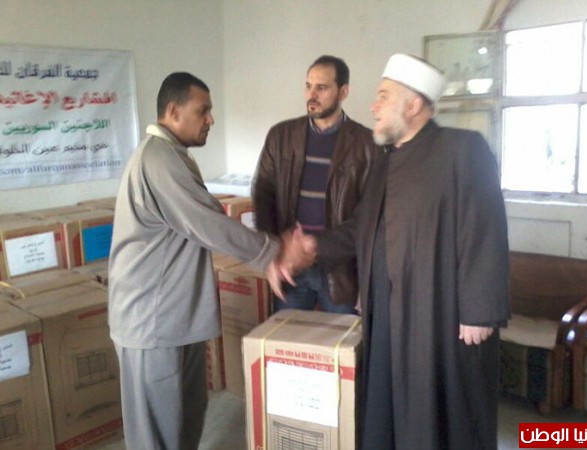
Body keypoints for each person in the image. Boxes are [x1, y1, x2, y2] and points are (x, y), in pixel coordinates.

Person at [290, 54, 511, 449]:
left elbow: (485, 229)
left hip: (440, 313)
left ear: (413, 104)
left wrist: (479, 311)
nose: (373, 106)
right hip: (387, 311)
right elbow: (361, 227)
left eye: (383, 96)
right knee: (388, 407)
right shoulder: (385, 161)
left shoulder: (462, 149)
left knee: (442, 414)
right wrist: (314, 246)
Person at [108, 72, 293, 450]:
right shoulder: (158, 161)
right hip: (151, 322)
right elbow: (207, 223)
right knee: (158, 436)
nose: (211, 119)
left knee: (184, 420)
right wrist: (273, 253)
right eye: (202, 110)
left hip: (173, 319)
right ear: (173, 111)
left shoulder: (174, 157)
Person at [252, 55, 377, 314]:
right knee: (288, 337)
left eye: (321, 88)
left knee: (341, 338)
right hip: (290, 268)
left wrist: (315, 246)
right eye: (308, 86)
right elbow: (263, 194)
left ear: (343, 92)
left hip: (340, 270)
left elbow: (368, 216)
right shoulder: (281, 136)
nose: (312, 95)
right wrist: (272, 251)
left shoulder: (366, 144)